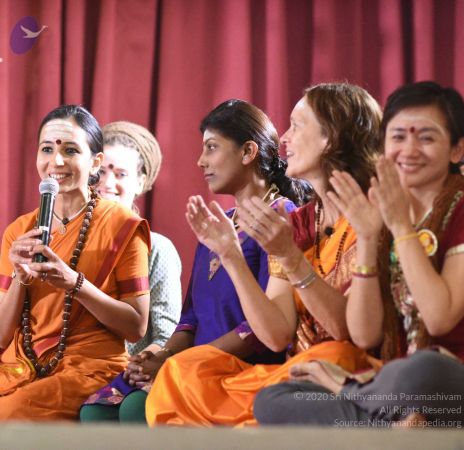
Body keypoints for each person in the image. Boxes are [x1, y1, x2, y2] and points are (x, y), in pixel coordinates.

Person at [145, 83, 383, 426]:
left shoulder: (369, 214)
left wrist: (292, 259)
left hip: (347, 369)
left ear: (329, 138)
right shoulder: (298, 224)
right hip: (295, 371)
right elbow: (277, 333)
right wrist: (231, 256)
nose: (284, 138)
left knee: (329, 357)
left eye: (296, 126)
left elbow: (347, 331)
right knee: (181, 373)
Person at [254, 81, 464, 428]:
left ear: (457, 149)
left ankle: (366, 403)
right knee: (273, 400)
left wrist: (401, 227)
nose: (409, 149)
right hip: (391, 386)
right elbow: (365, 334)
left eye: (426, 138)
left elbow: (438, 318)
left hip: (448, 381)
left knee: (424, 371)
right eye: (398, 137)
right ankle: (397, 429)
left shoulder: (462, 207)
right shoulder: (379, 209)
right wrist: (369, 238)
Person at [104, 99, 310, 423]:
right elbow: (190, 319)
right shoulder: (220, 223)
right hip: (194, 365)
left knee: (134, 410)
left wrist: (178, 362)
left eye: (211, 147)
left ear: (248, 152)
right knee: (99, 408)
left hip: (242, 370)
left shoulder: (280, 217)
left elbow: (259, 330)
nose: (201, 161)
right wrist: (163, 354)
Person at [0, 105, 151, 420]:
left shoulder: (122, 226)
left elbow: (136, 326)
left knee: (10, 414)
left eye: (70, 150)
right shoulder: (19, 231)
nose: (56, 161)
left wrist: (75, 283)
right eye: (47, 149)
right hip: (20, 364)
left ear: (95, 162)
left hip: (88, 367)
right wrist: (19, 276)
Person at [79, 121, 182, 423]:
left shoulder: (157, 248)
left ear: (141, 182)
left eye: (121, 174)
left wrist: (138, 365)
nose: (107, 182)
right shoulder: (70, 241)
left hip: (128, 373)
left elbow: (167, 334)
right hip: (73, 367)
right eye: (101, 172)